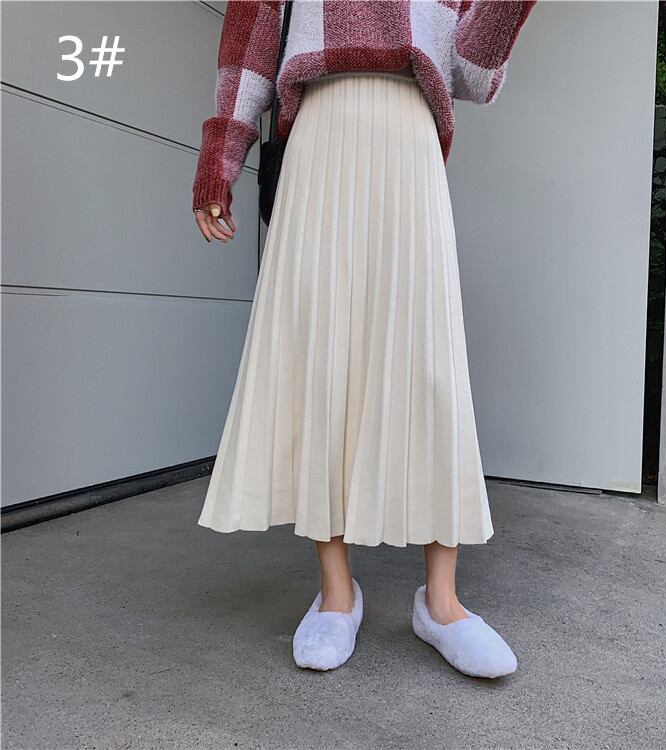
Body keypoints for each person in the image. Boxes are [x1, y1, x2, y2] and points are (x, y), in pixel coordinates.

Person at [192, 0, 537, 678]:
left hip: (411, 135)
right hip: (319, 131)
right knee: (324, 355)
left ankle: (442, 603)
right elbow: (250, 44)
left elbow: (472, 73)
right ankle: (335, 593)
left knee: (429, 361)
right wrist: (220, 156)